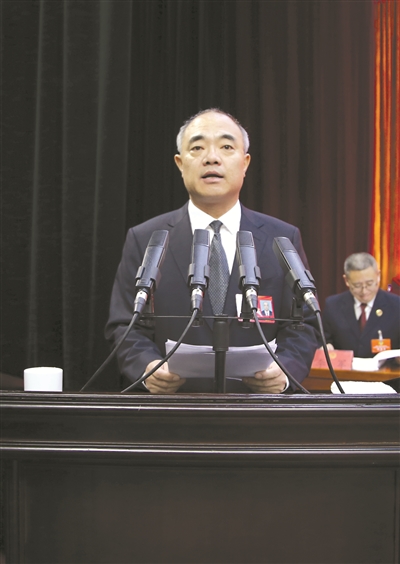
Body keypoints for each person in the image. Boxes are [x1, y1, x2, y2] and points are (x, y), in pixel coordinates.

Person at [105, 108, 319, 394]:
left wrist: (285, 369)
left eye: (226, 147)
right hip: (172, 408)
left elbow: (304, 324)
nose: (212, 158)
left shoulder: (281, 238)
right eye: (197, 148)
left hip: (257, 408)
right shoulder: (146, 238)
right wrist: (147, 367)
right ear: (180, 164)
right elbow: (124, 324)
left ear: (245, 163)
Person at [321, 252, 400, 357]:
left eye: (369, 284)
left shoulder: (396, 305)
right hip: (345, 367)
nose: (364, 291)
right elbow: (323, 340)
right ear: (347, 280)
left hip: (387, 367)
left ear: (378, 276)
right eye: (357, 285)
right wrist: (326, 347)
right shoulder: (333, 306)